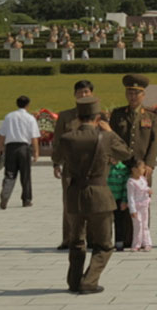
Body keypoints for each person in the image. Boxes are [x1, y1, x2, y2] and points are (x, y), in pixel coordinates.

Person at [52, 96, 132, 294]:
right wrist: (110, 132)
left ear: (78, 117)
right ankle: (89, 281)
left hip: (75, 194)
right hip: (99, 195)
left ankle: (74, 281)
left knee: (76, 242)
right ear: (98, 118)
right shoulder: (106, 137)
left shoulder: (67, 138)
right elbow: (126, 153)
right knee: (104, 245)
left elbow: (56, 157)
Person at [109, 74, 157, 247]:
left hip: (141, 167)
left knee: (142, 204)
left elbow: (154, 141)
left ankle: (143, 239)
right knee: (122, 203)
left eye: (136, 93)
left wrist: (150, 164)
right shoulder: (118, 115)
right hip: (121, 166)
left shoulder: (151, 116)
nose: (133, 97)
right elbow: (112, 138)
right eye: (130, 93)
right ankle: (124, 239)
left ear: (143, 95)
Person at [52, 80, 95, 250]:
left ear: (91, 94)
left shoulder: (99, 116)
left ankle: (92, 238)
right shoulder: (65, 116)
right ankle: (70, 238)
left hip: (92, 167)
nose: (83, 95)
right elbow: (58, 141)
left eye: (86, 92)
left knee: (92, 203)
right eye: (80, 92)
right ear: (74, 94)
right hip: (71, 167)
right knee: (69, 203)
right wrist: (56, 163)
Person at [0, 95, 41, 209]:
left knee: (9, 174)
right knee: (25, 175)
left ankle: (5, 195)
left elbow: (2, 134)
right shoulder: (30, 118)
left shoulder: (9, 116)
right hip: (24, 148)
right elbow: (34, 137)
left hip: (10, 148)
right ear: (28, 105)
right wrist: (36, 152)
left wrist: (1, 148)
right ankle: (26, 200)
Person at [127, 162, 153, 252]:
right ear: (134, 169)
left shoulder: (143, 179)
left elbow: (145, 187)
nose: (143, 170)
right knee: (138, 225)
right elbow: (130, 197)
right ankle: (136, 244)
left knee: (145, 224)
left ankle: (147, 243)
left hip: (144, 205)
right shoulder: (131, 182)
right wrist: (132, 210)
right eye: (142, 168)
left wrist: (148, 190)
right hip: (136, 207)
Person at [107, 161, 130, 252]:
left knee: (119, 222)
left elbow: (125, 186)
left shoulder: (123, 169)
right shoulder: (106, 168)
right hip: (107, 199)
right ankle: (106, 242)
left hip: (119, 199)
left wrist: (124, 200)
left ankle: (119, 242)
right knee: (106, 222)